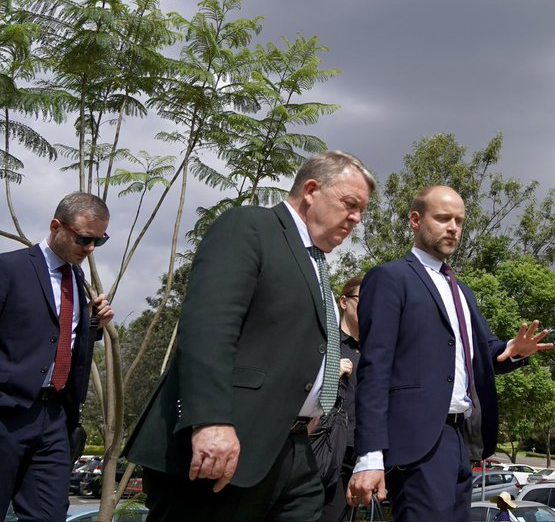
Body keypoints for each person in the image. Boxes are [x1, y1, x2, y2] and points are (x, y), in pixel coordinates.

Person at [125, 150, 376, 522]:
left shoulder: (315, 262)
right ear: (311, 190)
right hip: (224, 448)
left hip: (293, 452)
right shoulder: (249, 227)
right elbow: (209, 327)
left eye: (361, 211)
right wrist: (210, 421)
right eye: (350, 204)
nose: (355, 219)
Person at [346, 185, 553, 521]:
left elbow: (484, 353)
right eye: (443, 218)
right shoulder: (389, 278)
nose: (453, 227)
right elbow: (374, 367)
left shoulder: (462, 292)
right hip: (417, 441)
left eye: (459, 220)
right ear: (415, 220)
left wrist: (513, 351)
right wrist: (370, 454)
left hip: (462, 440)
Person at [0, 192, 115, 521]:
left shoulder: (77, 280)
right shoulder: (9, 269)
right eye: (84, 239)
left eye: (99, 241)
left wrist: (93, 324)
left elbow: (56, 336)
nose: (90, 248)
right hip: (7, 414)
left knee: (49, 515)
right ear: (56, 226)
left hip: (55, 418)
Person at [318, 275, 363, 521]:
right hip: (321, 450)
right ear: (344, 302)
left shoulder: (376, 352)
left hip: (354, 458)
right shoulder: (325, 342)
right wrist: (329, 373)